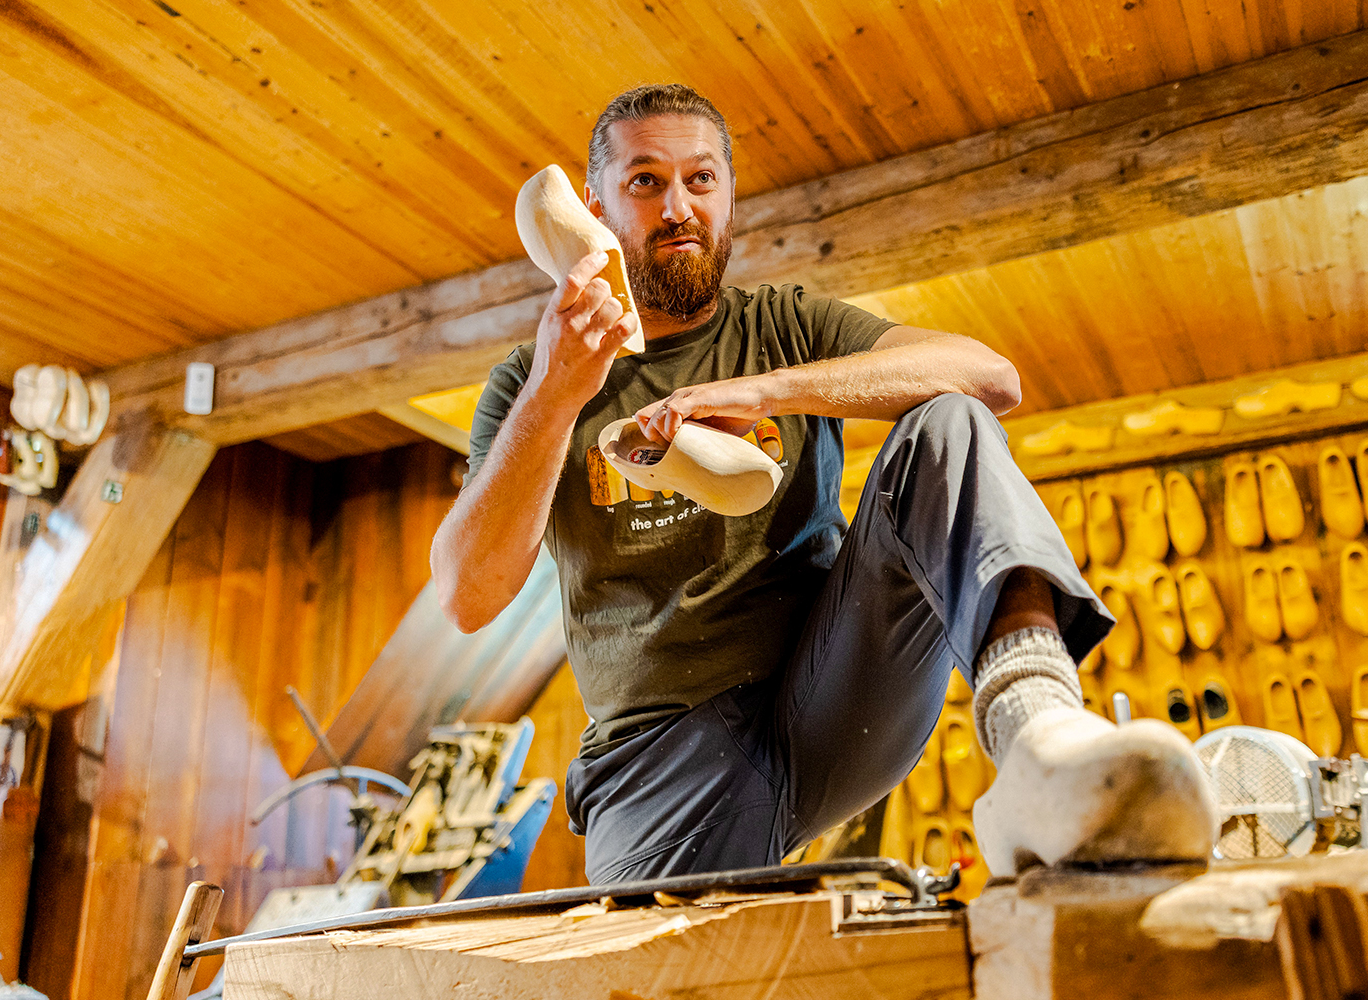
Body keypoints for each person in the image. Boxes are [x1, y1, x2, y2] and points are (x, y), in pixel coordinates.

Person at [431, 84, 1215, 884]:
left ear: (729, 194)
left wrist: (767, 391)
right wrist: (557, 395)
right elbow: (468, 595)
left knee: (948, 421)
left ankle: (1038, 741)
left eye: (701, 180)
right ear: (595, 206)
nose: (678, 207)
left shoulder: (781, 324)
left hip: (833, 682)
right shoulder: (532, 377)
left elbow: (991, 376)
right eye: (645, 182)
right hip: (659, 743)